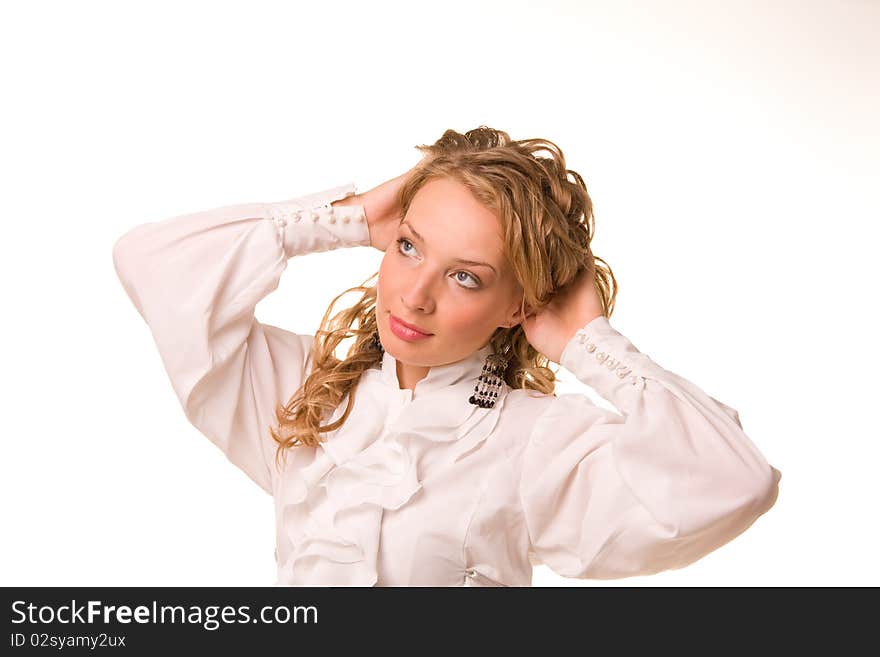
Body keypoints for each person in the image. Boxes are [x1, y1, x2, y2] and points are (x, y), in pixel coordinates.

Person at [112, 126, 781, 587]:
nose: (416, 294)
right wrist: (344, 218)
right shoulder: (307, 390)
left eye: (466, 276)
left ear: (519, 306)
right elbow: (150, 263)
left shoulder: (535, 441)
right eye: (409, 246)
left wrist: (589, 340)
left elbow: (734, 481)